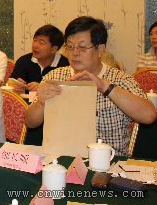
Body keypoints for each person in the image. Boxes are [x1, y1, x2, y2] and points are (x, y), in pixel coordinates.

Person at [25, 16, 156, 156]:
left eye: (82, 47)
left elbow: (149, 116)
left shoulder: (120, 80)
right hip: (59, 158)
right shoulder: (54, 77)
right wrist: (41, 103)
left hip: (107, 162)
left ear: (100, 49)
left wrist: (105, 87)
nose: (75, 53)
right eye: (70, 47)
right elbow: (30, 122)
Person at [10, 25, 69, 92]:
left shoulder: (66, 65)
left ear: (54, 49)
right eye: (35, 40)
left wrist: (42, 87)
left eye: (41, 43)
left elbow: (67, 92)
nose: (35, 45)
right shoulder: (23, 61)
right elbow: (10, 84)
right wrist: (15, 86)